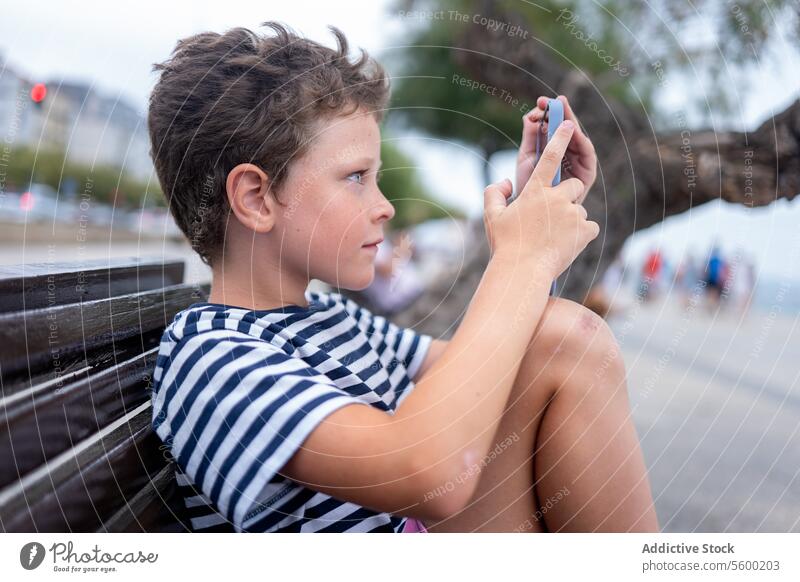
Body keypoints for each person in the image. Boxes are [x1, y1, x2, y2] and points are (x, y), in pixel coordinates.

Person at [147, 22, 659, 533]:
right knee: (565, 338)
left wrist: (532, 222)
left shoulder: (337, 318)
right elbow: (428, 472)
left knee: (561, 338)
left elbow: (495, 370)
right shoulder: (212, 358)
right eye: (356, 177)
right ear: (257, 198)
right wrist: (520, 260)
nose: (386, 207)